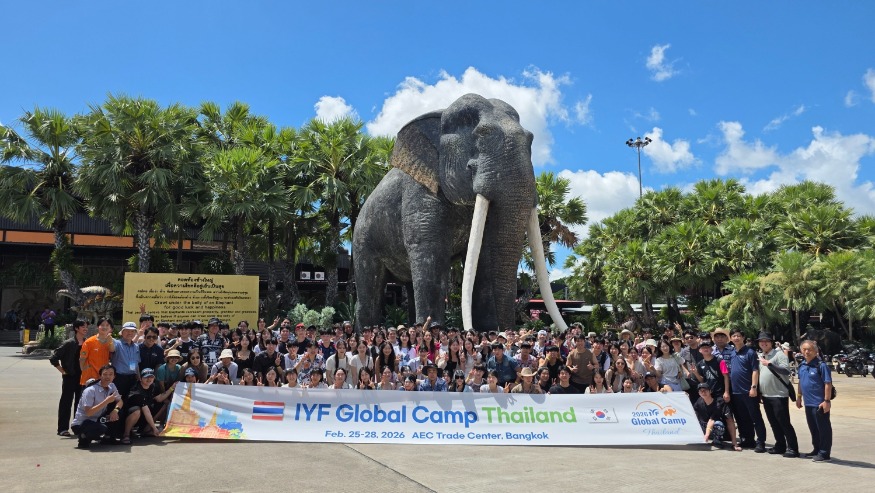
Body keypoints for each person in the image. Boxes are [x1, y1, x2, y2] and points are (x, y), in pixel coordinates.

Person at [757, 331, 800, 458]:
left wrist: (770, 364)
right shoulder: (761, 355)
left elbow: (786, 371)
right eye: (761, 341)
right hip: (766, 395)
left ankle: (793, 448)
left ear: (771, 342)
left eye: (766, 341)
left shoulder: (779, 354)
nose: (764, 343)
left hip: (779, 395)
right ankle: (780, 445)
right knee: (773, 422)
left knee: (784, 422)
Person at [728, 329, 767, 452]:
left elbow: (755, 370)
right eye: (733, 336)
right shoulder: (732, 352)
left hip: (748, 391)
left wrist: (754, 387)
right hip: (736, 392)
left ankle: (761, 442)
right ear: (731, 338)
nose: (736, 338)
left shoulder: (750, 352)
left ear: (743, 337)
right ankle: (747, 439)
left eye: (738, 336)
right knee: (742, 418)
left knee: (755, 418)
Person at [796, 339, 833, 462]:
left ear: (816, 351)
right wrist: (799, 397)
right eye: (804, 349)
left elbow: (828, 383)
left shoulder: (821, 366)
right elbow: (801, 382)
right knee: (813, 428)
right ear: (801, 351)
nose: (807, 352)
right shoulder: (802, 365)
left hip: (820, 403)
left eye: (810, 349)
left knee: (823, 429)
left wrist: (826, 401)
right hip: (808, 403)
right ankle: (816, 449)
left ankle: (824, 453)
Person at [71, 364, 123, 449]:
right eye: (105, 374)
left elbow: (120, 401)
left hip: (97, 419)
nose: (108, 377)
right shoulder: (90, 390)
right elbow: (88, 412)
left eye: (111, 374)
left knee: (119, 412)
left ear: (114, 376)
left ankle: (108, 438)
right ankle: (83, 436)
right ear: (100, 375)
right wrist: (106, 401)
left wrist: (115, 411)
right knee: (101, 428)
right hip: (82, 423)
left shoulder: (112, 386)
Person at [51, 319, 88, 436]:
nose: (85, 329)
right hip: (70, 376)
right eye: (83, 327)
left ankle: (77, 427)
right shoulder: (69, 343)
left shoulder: (87, 342)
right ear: (76, 328)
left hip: (83, 377)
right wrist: (62, 371)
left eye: (86, 327)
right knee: (66, 402)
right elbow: (54, 357)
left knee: (80, 403)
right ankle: (62, 429)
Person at [122, 368, 175, 444]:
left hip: (144, 415)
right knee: (137, 411)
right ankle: (126, 434)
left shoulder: (153, 386)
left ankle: (146, 430)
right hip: (130, 416)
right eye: (146, 377)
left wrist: (172, 388)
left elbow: (159, 398)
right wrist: (154, 428)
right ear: (140, 379)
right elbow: (146, 410)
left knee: (164, 404)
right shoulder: (136, 391)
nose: (149, 379)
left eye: (151, 377)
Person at [693, 383, 741, 451]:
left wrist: (734, 443)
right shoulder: (699, 401)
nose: (703, 392)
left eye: (705, 390)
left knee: (718, 425)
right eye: (701, 391)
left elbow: (712, 420)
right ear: (698, 393)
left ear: (710, 391)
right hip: (704, 426)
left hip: (714, 426)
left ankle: (717, 440)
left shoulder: (718, 403)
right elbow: (692, 413)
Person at [79, 317, 116, 386]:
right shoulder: (89, 342)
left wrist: (110, 341)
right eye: (102, 325)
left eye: (107, 325)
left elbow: (112, 350)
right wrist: (83, 369)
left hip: (103, 376)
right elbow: (82, 358)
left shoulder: (112, 341)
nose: (104, 327)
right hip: (90, 377)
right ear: (97, 327)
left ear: (111, 328)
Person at [111, 322, 141, 399]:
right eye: (127, 331)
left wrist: (138, 376)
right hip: (119, 378)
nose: (130, 333)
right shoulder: (116, 343)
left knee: (130, 400)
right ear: (122, 332)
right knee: (118, 401)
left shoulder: (136, 346)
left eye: (132, 331)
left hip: (132, 378)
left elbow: (135, 363)